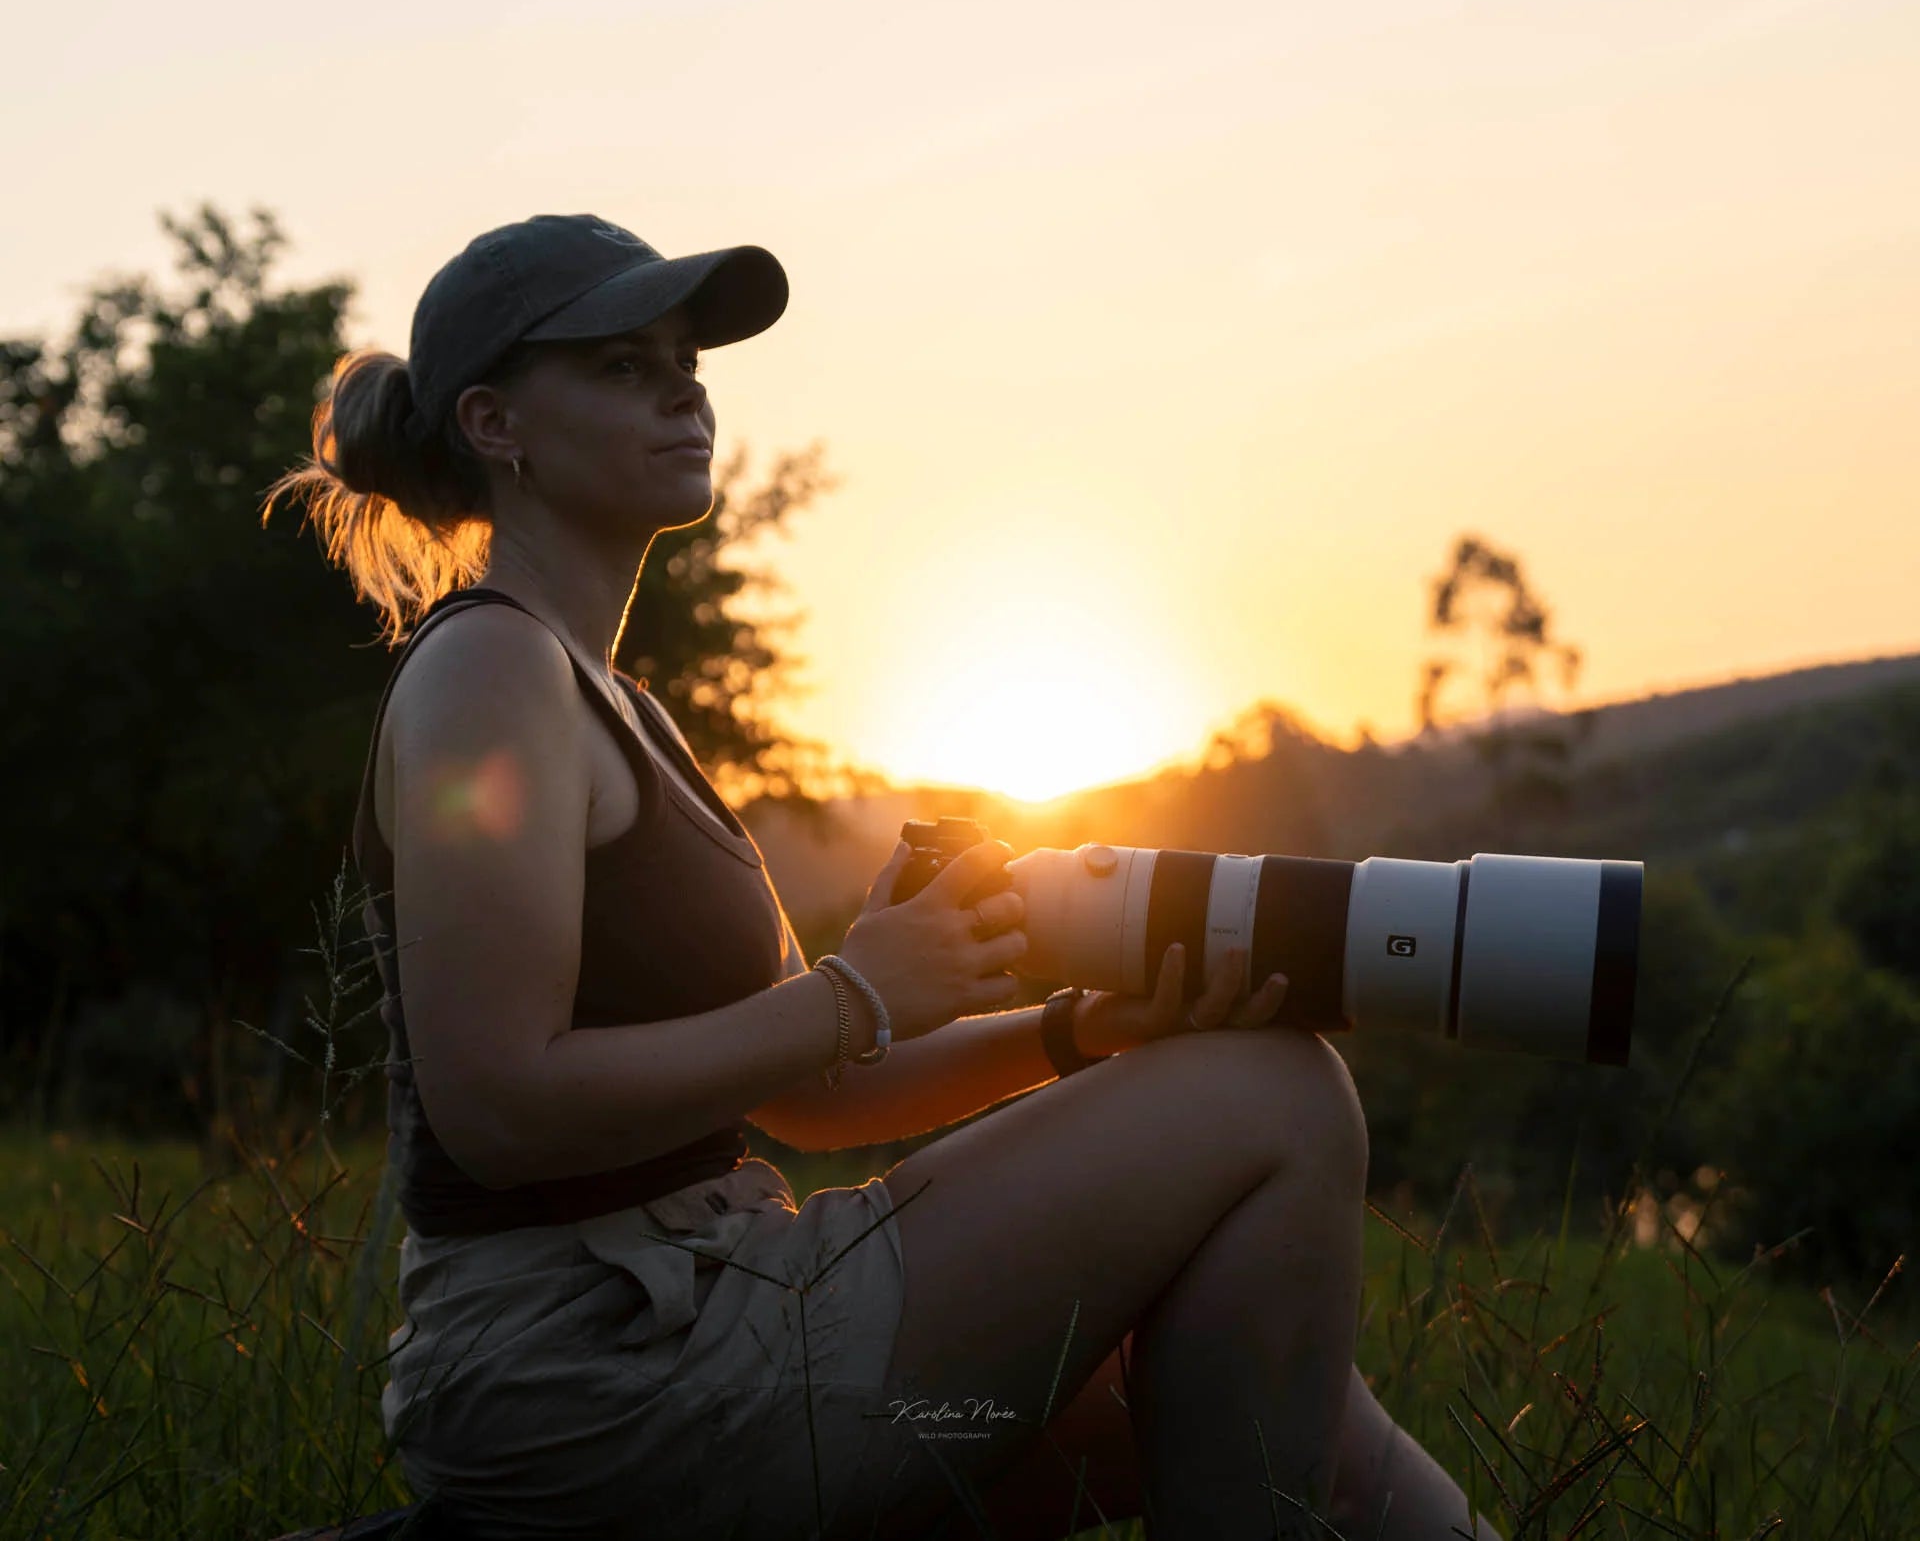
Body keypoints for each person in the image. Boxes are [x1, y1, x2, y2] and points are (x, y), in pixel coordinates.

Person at [264, 213, 1505, 1540]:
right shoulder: (488, 673)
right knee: (1275, 1092)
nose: (685, 386)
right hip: (600, 1371)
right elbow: (497, 1104)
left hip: (706, 1307)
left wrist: (1078, 1032)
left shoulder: (615, 702)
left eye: (687, 358)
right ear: (496, 423)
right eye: (623, 365)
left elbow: (808, 1095)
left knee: (1269, 1392)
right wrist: (858, 988)